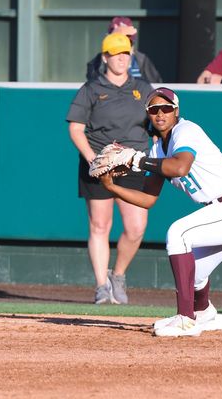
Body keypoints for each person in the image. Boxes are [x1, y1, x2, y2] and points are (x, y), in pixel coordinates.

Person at [99, 87, 222, 337]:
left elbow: (179, 167)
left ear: (176, 111)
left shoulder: (186, 130)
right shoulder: (157, 151)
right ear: (148, 114)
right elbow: (147, 199)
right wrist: (112, 187)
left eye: (166, 108)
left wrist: (136, 161)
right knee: (193, 272)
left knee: (178, 233)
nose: (160, 113)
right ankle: (203, 312)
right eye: (154, 109)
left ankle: (186, 319)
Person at [66, 33, 153, 305]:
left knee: (136, 227)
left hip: (132, 163)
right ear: (105, 57)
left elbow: (157, 124)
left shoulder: (143, 87)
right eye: (116, 54)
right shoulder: (91, 89)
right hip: (99, 163)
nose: (121, 59)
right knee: (100, 225)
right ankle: (102, 286)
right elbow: (76, 128)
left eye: (125, 53)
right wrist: (94, 159)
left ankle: (118, 275)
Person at [86, 16, 163, 83]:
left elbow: (156, 87)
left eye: (127, 43)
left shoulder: (142, 61)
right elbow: (94, 85)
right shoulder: (97, 63)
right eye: (116, 44)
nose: (121, 54)